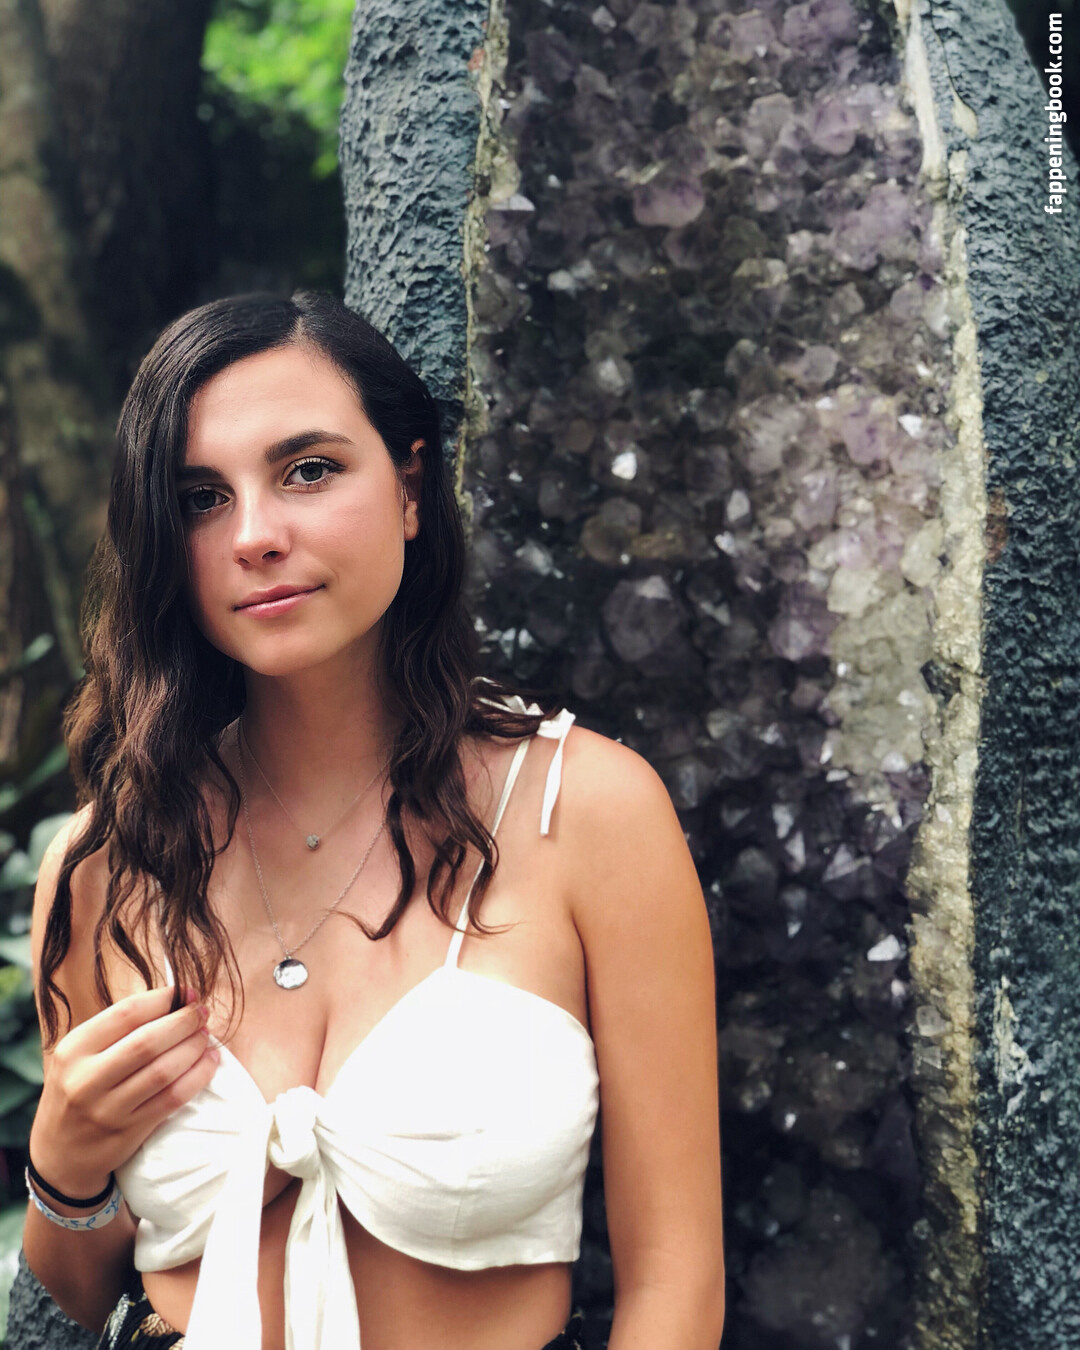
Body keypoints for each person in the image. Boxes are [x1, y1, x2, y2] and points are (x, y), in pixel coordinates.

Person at [23, 290, 725, 1350]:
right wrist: (66, 1164)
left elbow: (676, 1282)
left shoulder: (583, 811)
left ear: (409, 487)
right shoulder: (108, 863)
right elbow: (77, 1297)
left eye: (308, 471)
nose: (256, 536)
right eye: (201, 497)